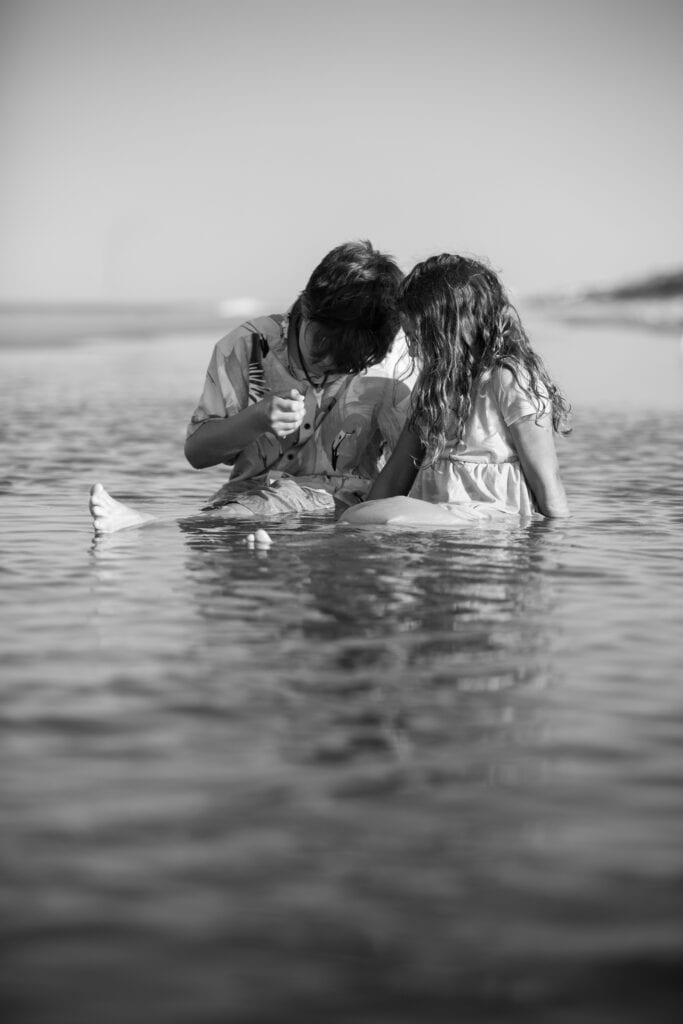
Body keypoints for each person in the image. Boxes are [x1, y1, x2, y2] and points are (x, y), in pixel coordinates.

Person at [89, 240, 413, 534]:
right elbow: (197, 454)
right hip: (245, 503)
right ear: (307, 308)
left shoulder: (392, 362)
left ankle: (151, 526)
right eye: (321, 344)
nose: (327, 362)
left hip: (348, 509)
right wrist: (256, 419)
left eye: (346, 363)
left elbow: (415, 455)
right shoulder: (246, 346)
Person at [339, 254, 570, 528]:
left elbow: (547, 481)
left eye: (416, 338)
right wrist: (359, 520)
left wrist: (556, 537)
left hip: (490, 521)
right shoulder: (432, 386)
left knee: (379, 517)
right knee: (359, 514)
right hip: (440, 519)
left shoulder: (507, 379)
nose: (412, 350)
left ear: (450, 330)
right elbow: (397, 472)